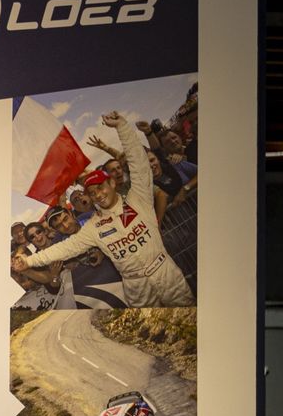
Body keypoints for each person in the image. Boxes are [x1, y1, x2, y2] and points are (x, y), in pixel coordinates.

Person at [12, 112, 193, 308]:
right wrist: (29, 262)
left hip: (165, 272)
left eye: (100, 188)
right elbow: (62, 249)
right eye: (92, 192)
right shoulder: (94, 227)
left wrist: (122, 128)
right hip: (136, 287)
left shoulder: (137, 198)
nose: (98, 195)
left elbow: (139, 164)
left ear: (112, 183)